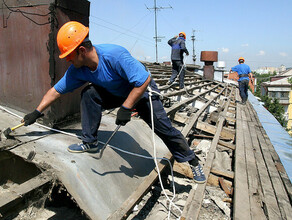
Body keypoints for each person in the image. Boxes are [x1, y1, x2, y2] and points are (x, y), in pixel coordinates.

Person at [21, 21, 206, 183]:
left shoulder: (114, 55)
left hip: (141, 92)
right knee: (89, 93)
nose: (68, 60)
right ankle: (90, 142)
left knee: (164, 129)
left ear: (82, 51)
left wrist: (126, 107)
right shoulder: (78, 70)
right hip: (116, 93)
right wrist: (37, 112)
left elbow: (143, 80)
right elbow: (56, 91)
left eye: (69, 56)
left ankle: (192, 161)